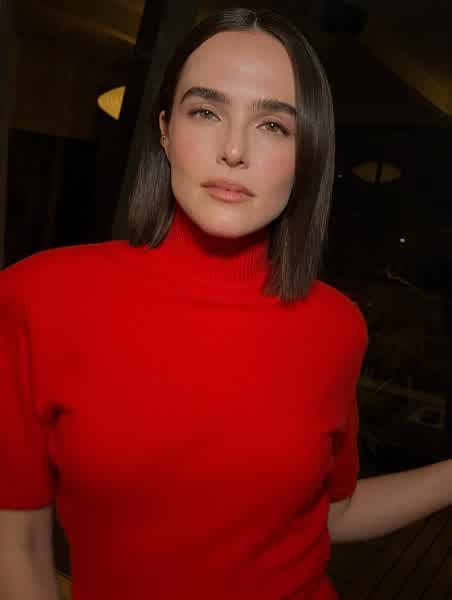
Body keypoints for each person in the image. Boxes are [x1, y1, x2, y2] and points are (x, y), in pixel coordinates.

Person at [1, 7, 451, 600]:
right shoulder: (39, 298)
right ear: (165, 131)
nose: (234, 150)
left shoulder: (337, 324)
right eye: (206, 112)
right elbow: (18, 543)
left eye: (274, 126)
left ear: (308, 152)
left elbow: (331, 514)